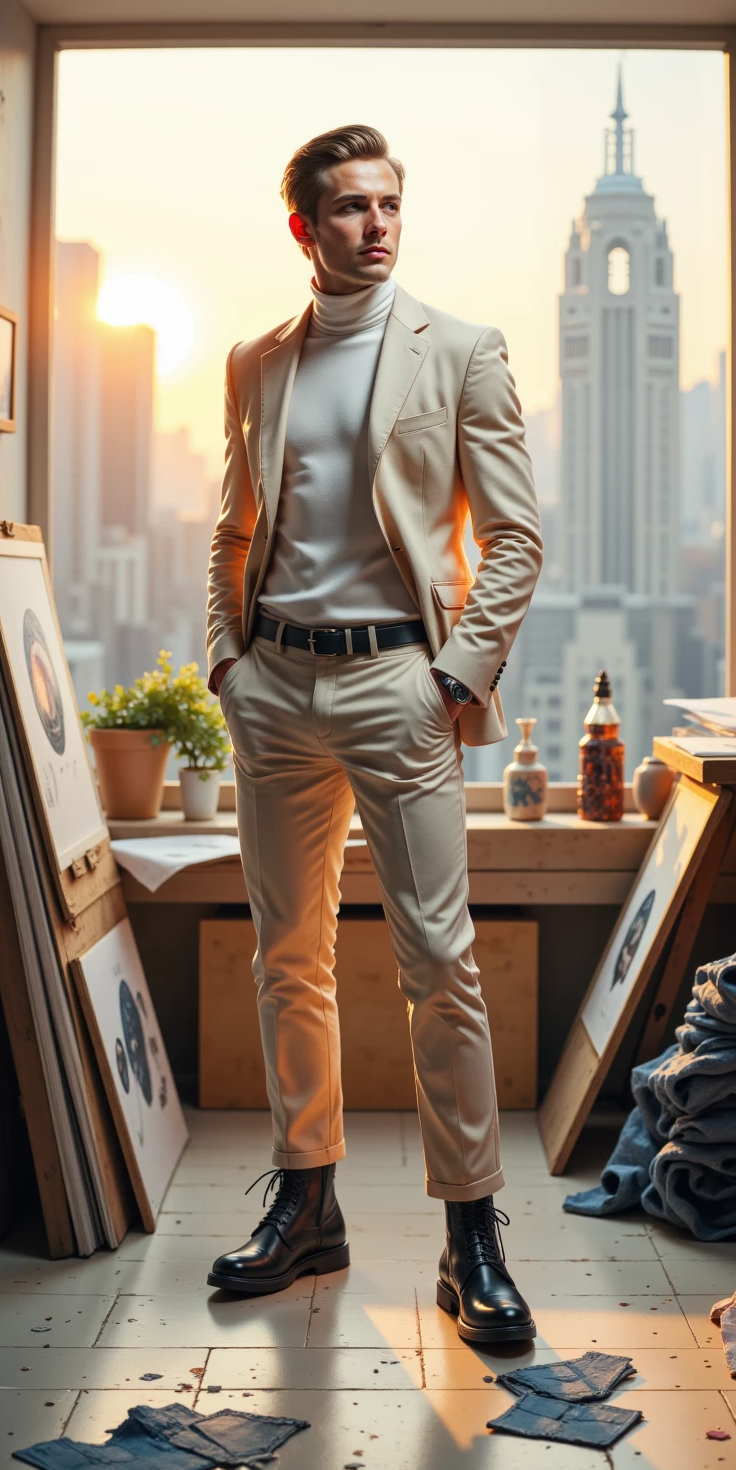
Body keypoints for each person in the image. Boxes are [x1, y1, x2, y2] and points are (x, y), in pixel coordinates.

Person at [204, 124, 543, 1343]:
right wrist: (224, 661)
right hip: (276, 689)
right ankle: (307, 1207)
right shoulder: (255, 361)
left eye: (388, 202)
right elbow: (232, 528)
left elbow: (514, 533)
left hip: (402, 685)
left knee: (438, 963)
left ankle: (471, 1238)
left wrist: (455, 677)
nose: (377, 223)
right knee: (287, 956)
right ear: (303, 226)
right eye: (348, 207)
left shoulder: (459, 350)